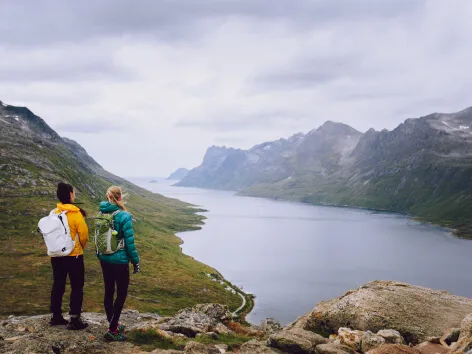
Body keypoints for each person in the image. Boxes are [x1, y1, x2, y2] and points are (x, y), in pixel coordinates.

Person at [98, 186, 140, 341]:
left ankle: (113, 324)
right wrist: (135, 261)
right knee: (121, 294)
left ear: (108, 197)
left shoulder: (101, 213)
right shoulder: (124, 216)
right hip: (120, 261)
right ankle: (112, 330)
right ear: (120, 198)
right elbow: (129, 243)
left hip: (104, 259)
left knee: (108, 291)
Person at [50, 182, 89, 330]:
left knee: (58, 284)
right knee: (77, 287)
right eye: (73, 192)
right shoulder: (76, 214)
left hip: (57, 256)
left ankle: (56, 316)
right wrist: (80, 248)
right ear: (70, 195)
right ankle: (74, 319)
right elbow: (84, 235)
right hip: (74, 256)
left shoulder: (54, 212)